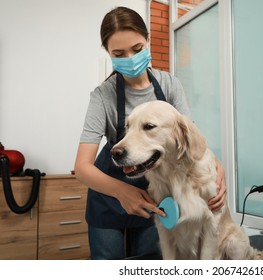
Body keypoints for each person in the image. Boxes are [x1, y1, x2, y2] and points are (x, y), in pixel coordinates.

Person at [74, 6, 226, 260]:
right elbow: (82, 167)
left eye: (137, 49)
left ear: (147, 41)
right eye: (119, 54)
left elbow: (192, 140)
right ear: (108, 54)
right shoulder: (103, 96)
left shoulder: (169, 85)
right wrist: (122, 191)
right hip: (108, 199)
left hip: (157, 198)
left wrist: (218, 170)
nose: (131, 58)